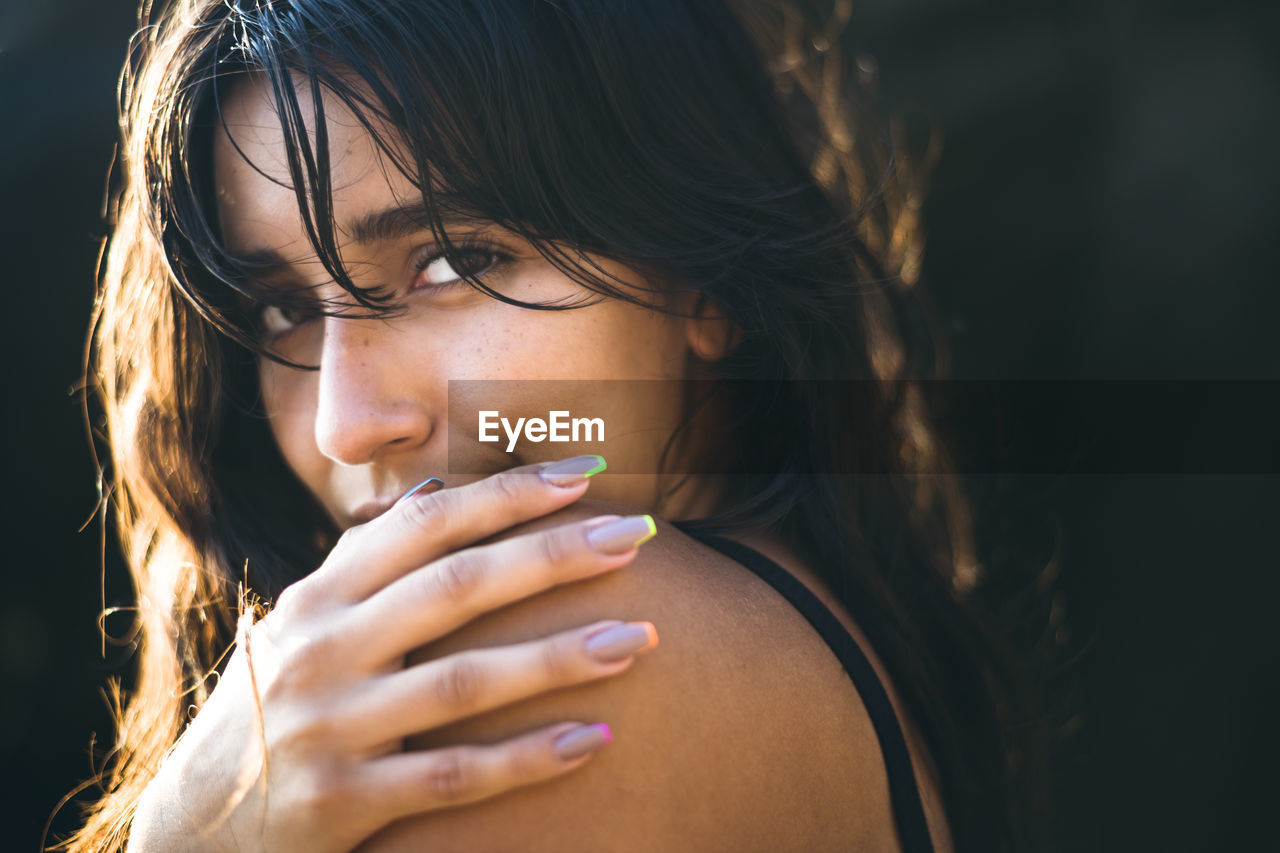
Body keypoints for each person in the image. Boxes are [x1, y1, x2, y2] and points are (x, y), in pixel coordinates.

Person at [61, 0, 1043, 850]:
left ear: (699, 272)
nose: (346, 425)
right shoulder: (811, 626)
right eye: (284, 311)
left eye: (453, 261)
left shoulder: (563, 644)